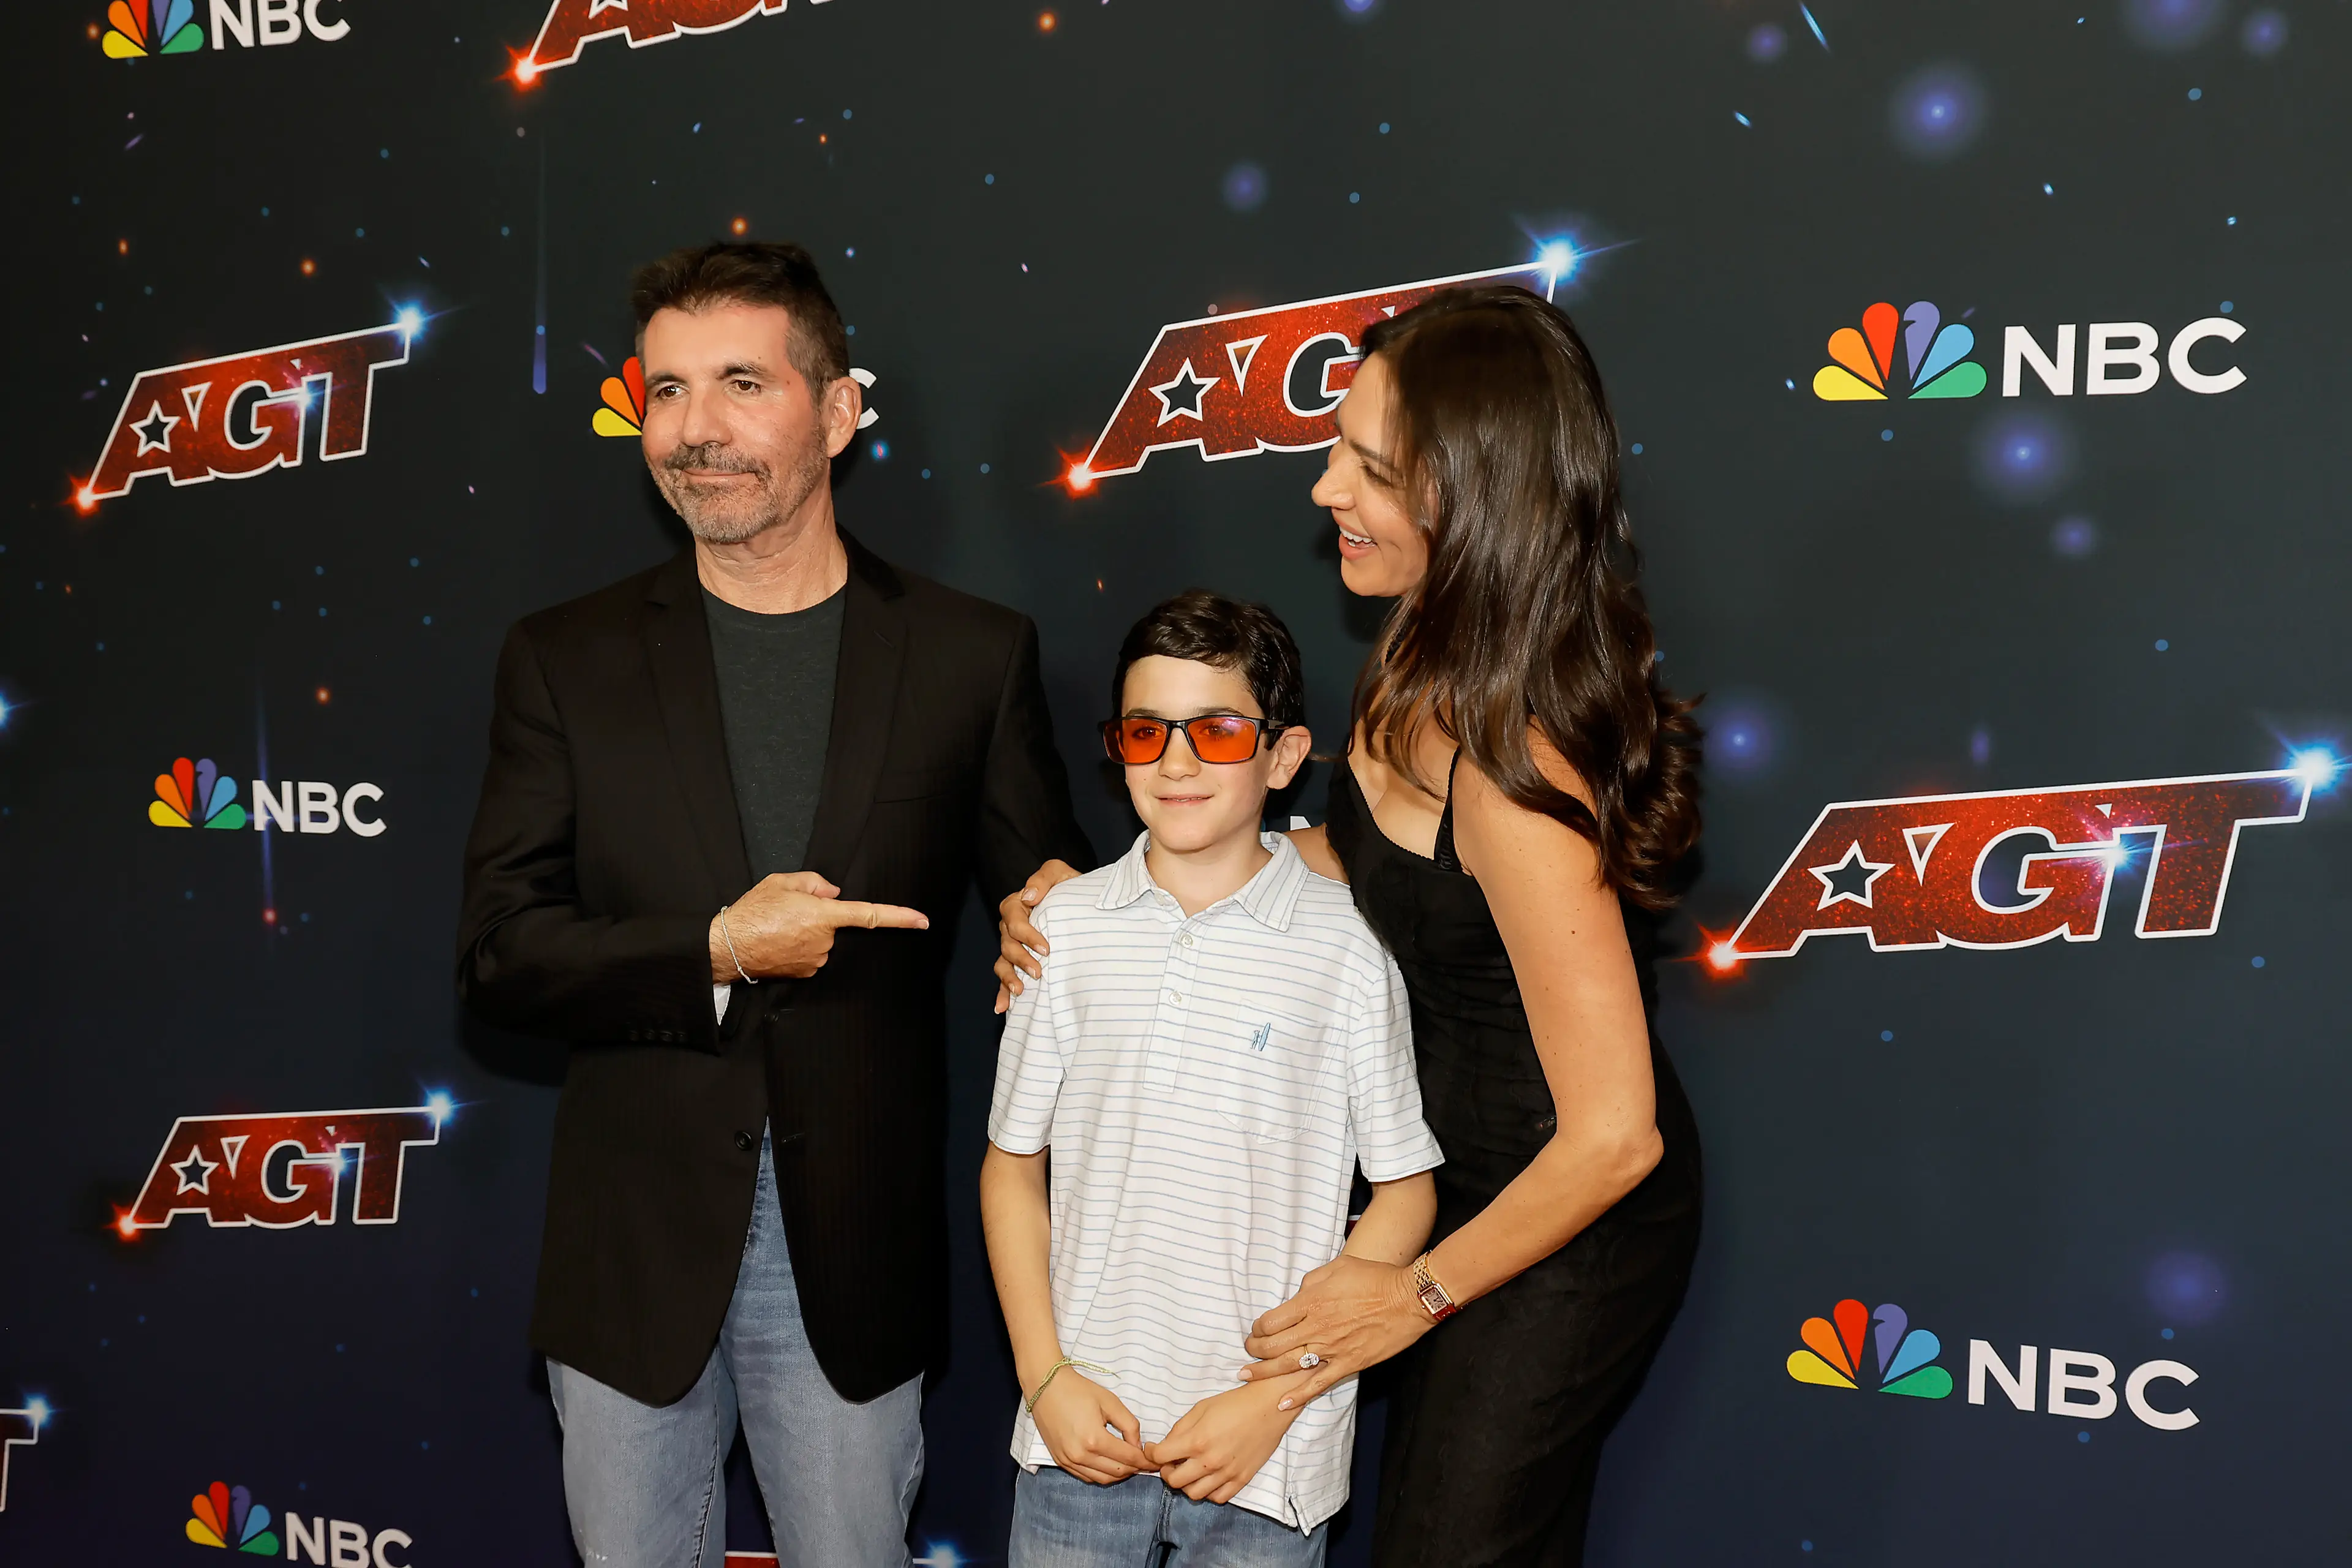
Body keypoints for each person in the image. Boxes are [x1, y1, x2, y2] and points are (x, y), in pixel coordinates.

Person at [995, 285, 1703, 1566]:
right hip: (1441, 1186)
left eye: (1371, 469)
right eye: (1338, 450)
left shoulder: (1518, 762)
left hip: (1562, 1220)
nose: (1325, 491)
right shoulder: (1420, 646)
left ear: (1472, 496)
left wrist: (1410, 1292)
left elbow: (1617, 1135)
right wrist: (1102, 904)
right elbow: (1352, 861)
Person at [456, 241, 1093, 1568]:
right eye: (668, 390)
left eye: (742, 383)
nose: (695, 429)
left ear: (840, 410)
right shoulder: (563, 659)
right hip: (630, 1254)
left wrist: (1060, 904)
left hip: (855, 1256)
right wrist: (710, 950)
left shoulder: (973, 656)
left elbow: (1052, 887)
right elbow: (502, 955)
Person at [981, 592, 1441, 1567]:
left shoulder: (1351, 950)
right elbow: (1011, 1169)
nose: (1176, 761)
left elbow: (1403, 1195)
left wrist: (1273, 1401)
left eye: (1219, 730)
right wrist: (1044, 1378)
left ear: (1282, 756)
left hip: (1266, 1456)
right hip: (1079, 1441)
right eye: (1147, 732)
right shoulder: (1063, 931)